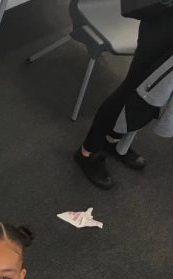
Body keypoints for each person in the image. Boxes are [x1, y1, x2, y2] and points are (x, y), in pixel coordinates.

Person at [74, 1, 173, 189]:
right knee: (132, 91)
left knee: (150, 96)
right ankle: (87, 152)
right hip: (164, 21)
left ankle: (112, 140)